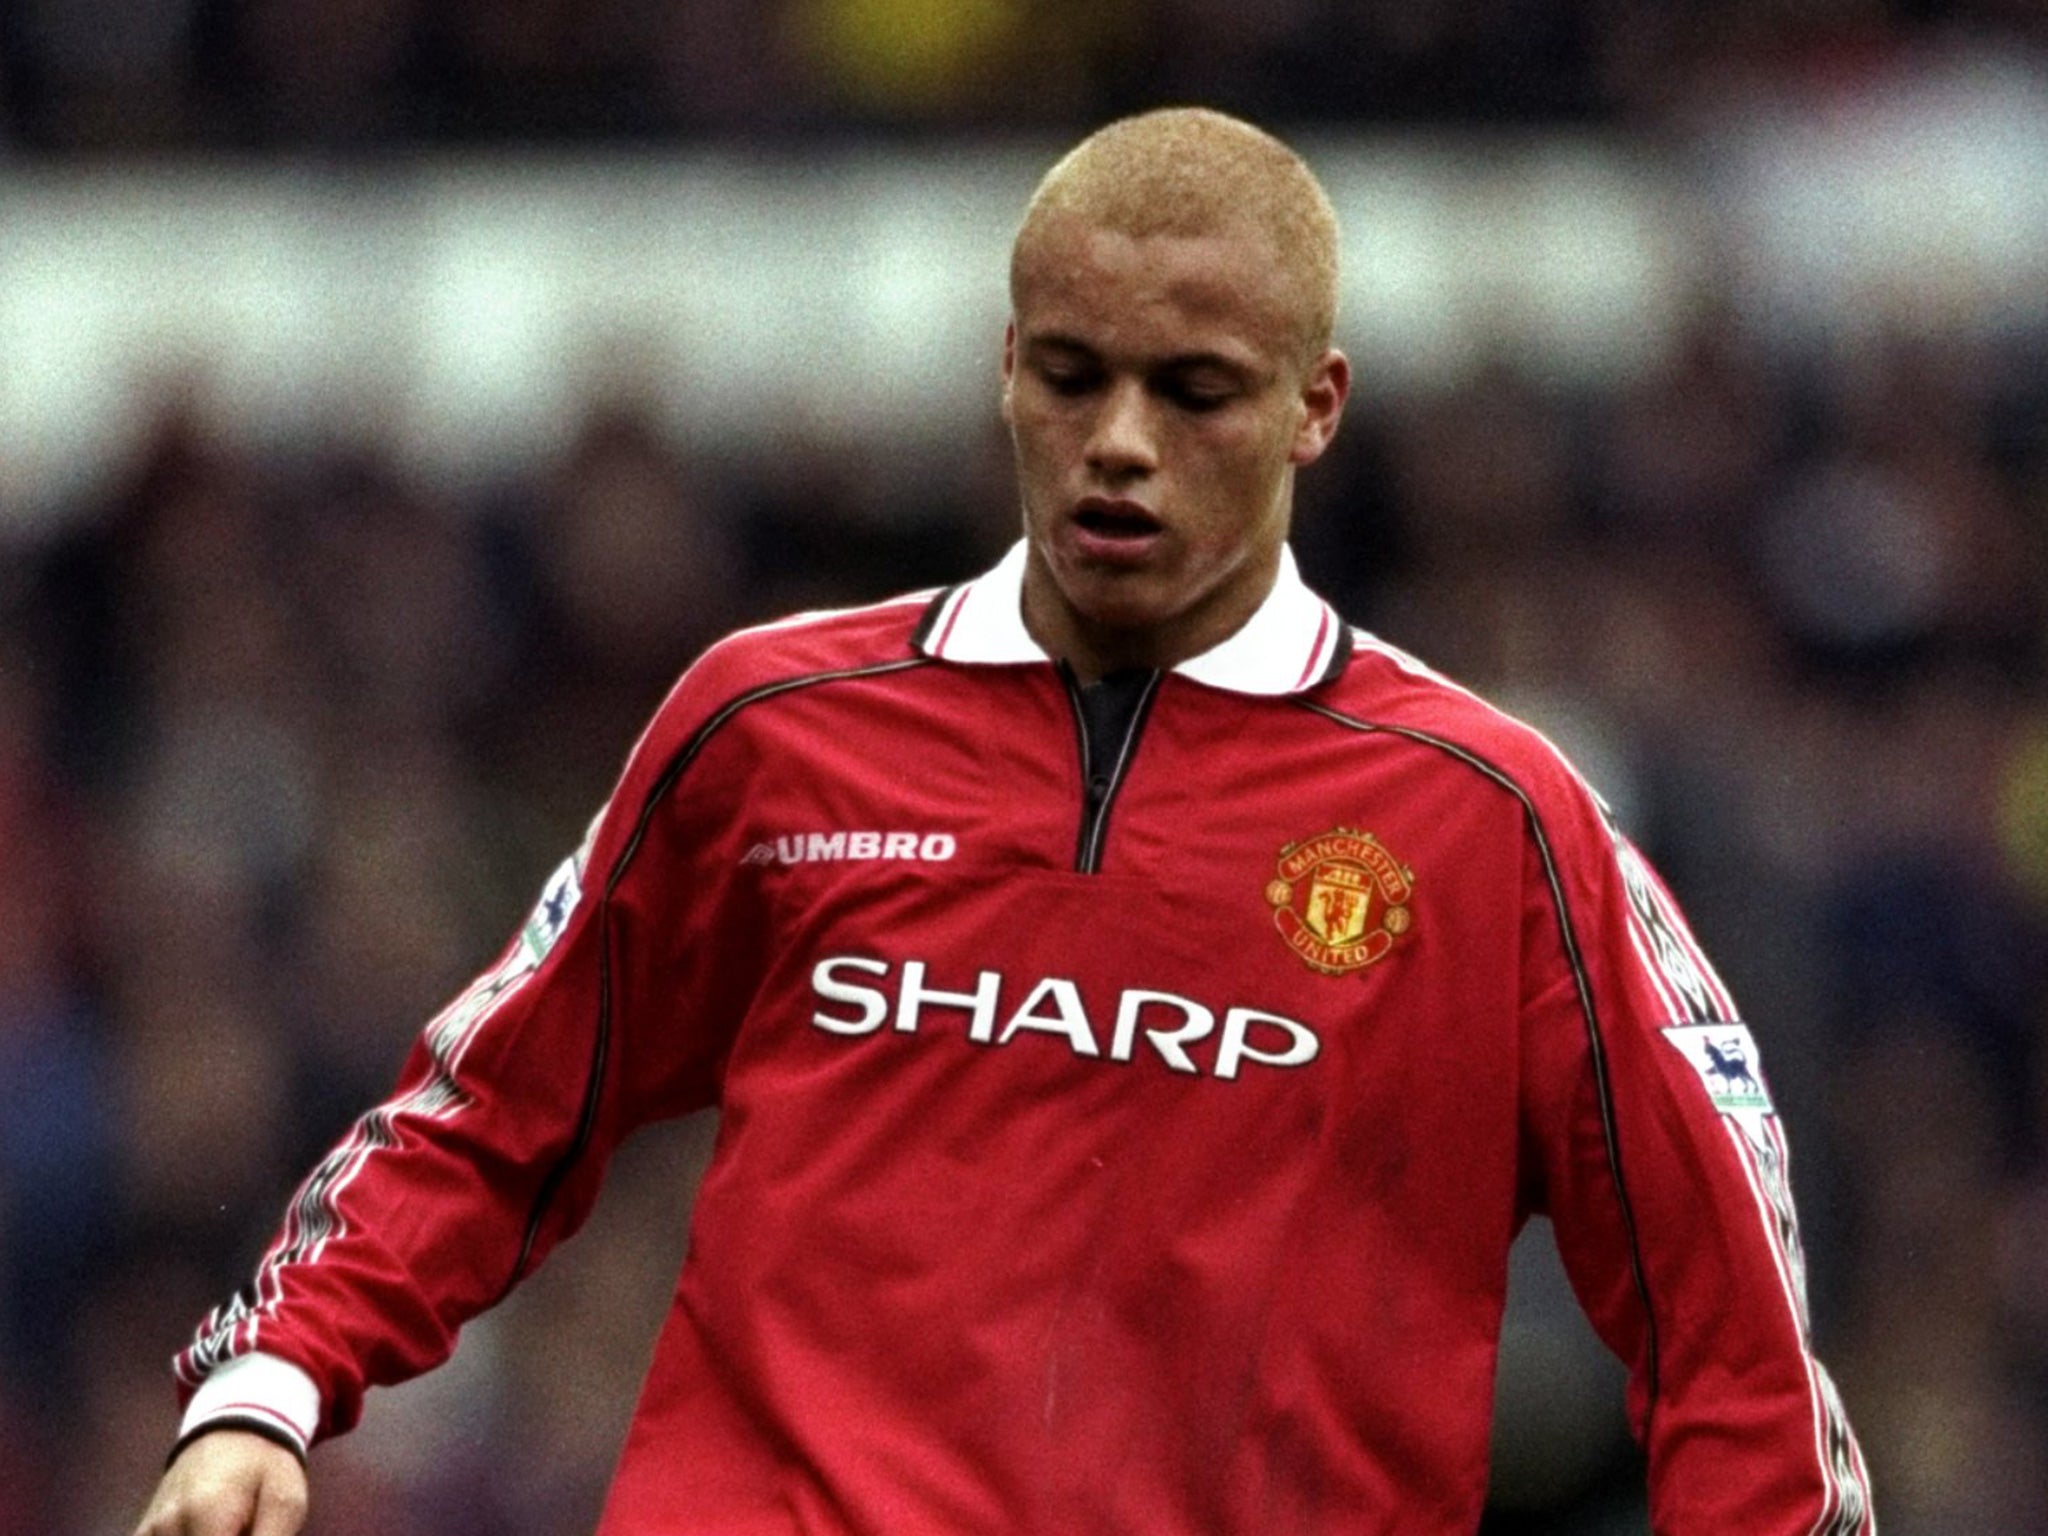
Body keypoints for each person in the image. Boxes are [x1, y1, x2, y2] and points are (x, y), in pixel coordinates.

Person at [135, 107, 1875, 1535]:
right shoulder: (772, 725)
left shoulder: (1496, 822)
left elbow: (1735, 1340)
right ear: (1004, 372)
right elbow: (489, 1110)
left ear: (1314, 410)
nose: (1119, 443)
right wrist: (268, 1390)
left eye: (1193, 392)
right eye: (1070, 376)